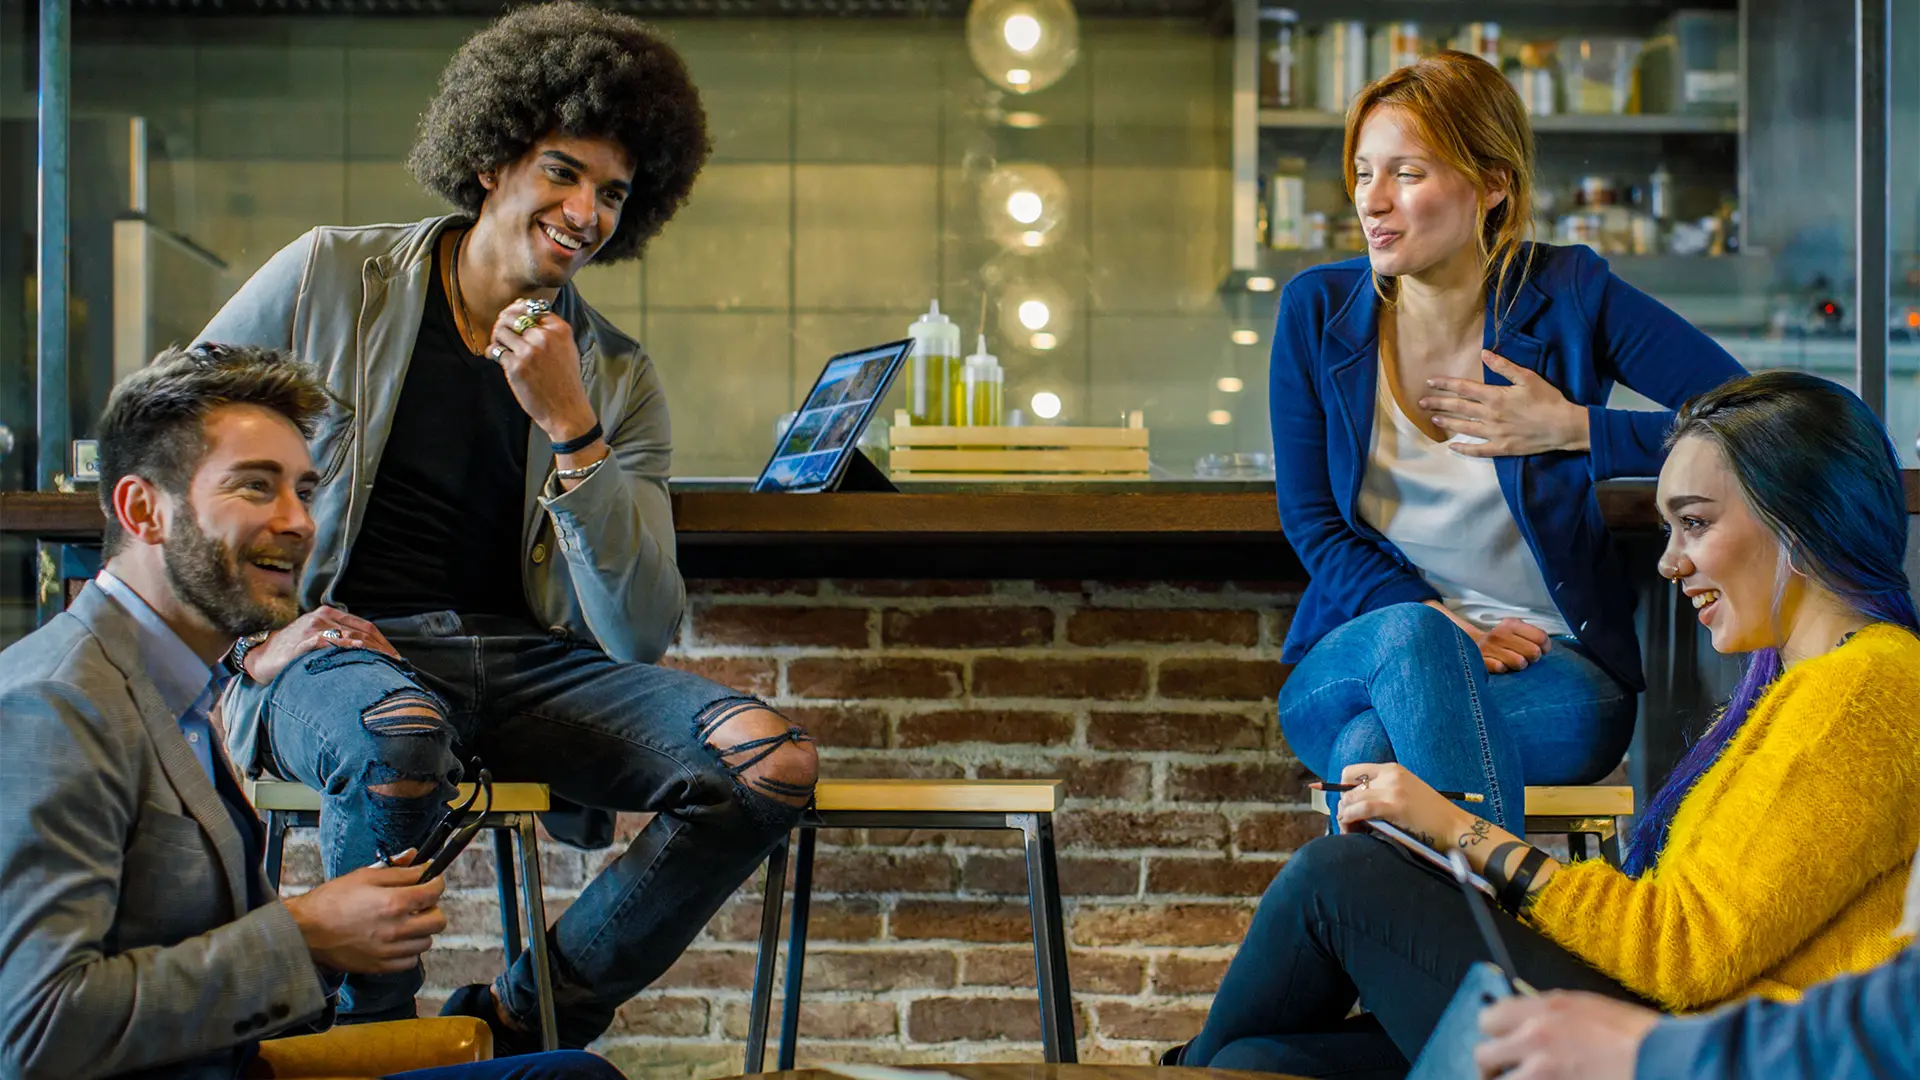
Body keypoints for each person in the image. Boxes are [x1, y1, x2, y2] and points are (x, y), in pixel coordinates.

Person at [194, 1, 818, 1052]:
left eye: (614, 193)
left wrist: (573, 427)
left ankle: (524, 1020)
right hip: (349, 652)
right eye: (564, 172)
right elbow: (171, 433)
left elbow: (640, 630)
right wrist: (247, 642)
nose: (587, 212)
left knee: (769, 764)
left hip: (525, 667)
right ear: (491, 160)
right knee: (399, 730)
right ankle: (370, 1046)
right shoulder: (329, 276)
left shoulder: (615, 376)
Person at [1171, 371, 1920, 1078]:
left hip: (1691, 1050)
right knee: (1268, 1061)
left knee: (1338, 876)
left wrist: (1461, 832)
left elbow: (1681, 949)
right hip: (1675, 1022)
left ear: (1799, 513)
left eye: (1694, 523)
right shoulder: (1808, 686)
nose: (1669, 562)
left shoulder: (1870, 687)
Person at [0, 345, 621, 1080]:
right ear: (144, 510)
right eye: (255, 487)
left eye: (303, 490)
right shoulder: (56, 704)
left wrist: (328, 942)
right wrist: (305, 934)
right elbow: (33, 1034)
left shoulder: (183, 693)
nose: (298, 522)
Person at [1269, 51, 1746, 835]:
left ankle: (1405, 956)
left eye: (1408, 174)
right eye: (1362, 174)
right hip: (1365, 651)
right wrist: (1437, 626)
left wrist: (1576, 428)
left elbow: (1759, 416)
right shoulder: (1316, 313)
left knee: (1370, 750)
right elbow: (1313, 523)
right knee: (1411, 641)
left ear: (1492, 184)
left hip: (1555, 669)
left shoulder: (1570, 294)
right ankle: (1492, 949)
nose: (1374, 203)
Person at [1474, 847, 1919, 1080]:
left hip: (1722, 1040)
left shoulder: (1856, 692)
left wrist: (1461, 829)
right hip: (1738, 1036)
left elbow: (1682, 946)